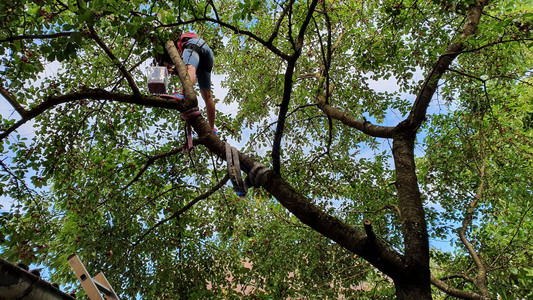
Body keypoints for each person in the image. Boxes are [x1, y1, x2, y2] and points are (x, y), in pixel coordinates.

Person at [159, 32, 217, 135]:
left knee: (189, 68)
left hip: (194, 44)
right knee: (207, 96)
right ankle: (212, 129)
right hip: (207, 54)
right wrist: (173, 71)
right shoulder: (184, 45)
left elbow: (188, 69)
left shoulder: (177, 44)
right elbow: (188, 69)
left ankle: (182, 94)